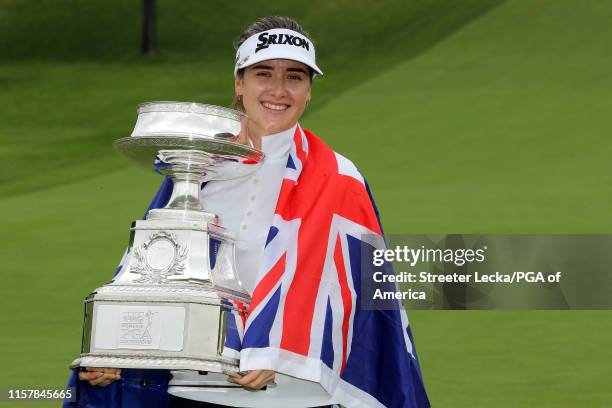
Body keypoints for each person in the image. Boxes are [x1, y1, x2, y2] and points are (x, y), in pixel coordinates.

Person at [66, 16, 429, 408]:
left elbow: (366, 303)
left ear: (309, 91)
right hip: (191, 392)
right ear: (239, 83)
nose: (278, 89)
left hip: (295, 398)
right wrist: (116, 352)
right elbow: (152, 276)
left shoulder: (340, 180)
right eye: (263, 73)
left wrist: (284, 352)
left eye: (295, 76)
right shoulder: (196, 169)